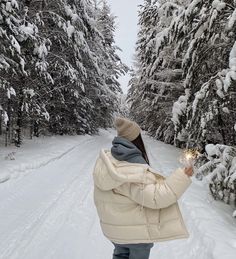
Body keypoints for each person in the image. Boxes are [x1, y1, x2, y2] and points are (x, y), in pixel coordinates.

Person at [93, 117, 193, 259]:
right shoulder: (133, 165)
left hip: (115, 231)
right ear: (136, 139)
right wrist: (183, 176)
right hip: (136, 236)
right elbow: (156, 198)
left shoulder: (110, 160)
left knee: (121, 255)